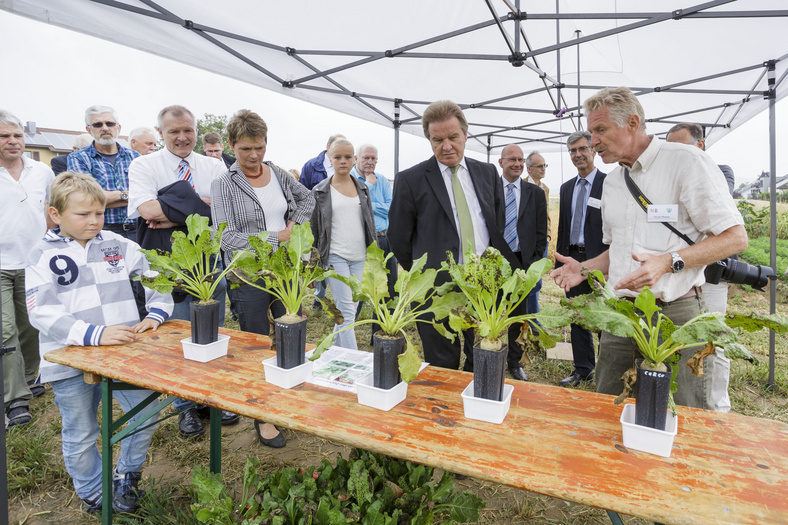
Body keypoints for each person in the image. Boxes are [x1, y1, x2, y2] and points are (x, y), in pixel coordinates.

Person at [551, 87, 747, 410]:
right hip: (623, 314)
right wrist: (583, 268)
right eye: (592, 132)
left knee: (688, 411)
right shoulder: (613, 182)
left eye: (601, 130)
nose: (594, 141)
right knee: (609, 407)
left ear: (632, 123)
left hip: (678, 311)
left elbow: (735, 237)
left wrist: (669, 262)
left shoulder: (685, 162)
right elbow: (617, 251)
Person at [25, 172, 173, 514]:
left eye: (99, 213)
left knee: (146, 410)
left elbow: (158, 274)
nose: (93, 221)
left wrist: (157, 312)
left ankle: (126, 473)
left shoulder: (118, 245)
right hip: (68, 359)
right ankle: (93, 488)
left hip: (123, 353)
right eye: (83, 214)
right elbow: (42, 313)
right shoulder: (39, 255)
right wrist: (94, 335)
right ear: (54, 214)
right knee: (81, 429)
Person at [127, 104, 235, 437]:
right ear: (160, 134)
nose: (182, 137)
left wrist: (172, 210)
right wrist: (197, 204)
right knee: (179, 332)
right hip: (169, 260)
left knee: (211, 329)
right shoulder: (144, 164)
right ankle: (185, 405)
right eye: (174, 131)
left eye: (188, 130)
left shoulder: (214, 165)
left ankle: (209, 395)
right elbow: (145, 208)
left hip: (207, 260)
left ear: (196, 130)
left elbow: (226, 208)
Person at [211, 109, 314, 447]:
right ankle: (262, 415)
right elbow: (225, 238)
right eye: (245, 149)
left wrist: (294, 226)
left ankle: (287, 400)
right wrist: (275, 238)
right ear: (231, 145)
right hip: (249, 276)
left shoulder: (278, 173)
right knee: (255, 343)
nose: (254, 156)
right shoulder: (224, 184)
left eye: (259, 147)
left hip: (284, 272)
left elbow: (307, 198)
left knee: (290, 336)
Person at [388, 100, 511, 371]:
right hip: (436, 290)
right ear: (429, 140)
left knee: (480, 353)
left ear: (466, 135)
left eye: (453, 137)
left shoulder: (487, 172)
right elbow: (398, 237)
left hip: (482, 286)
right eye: (437, 139)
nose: (446, 146)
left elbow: (495, 222)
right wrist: (429, 275)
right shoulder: (411, 180)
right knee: (442, 362)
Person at [666, 122, 734, 412]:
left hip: (710, 273)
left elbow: (709, 215)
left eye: (683, 147)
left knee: (712, 338)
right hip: (680, 275)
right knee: (683, 342)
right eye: (672, 149)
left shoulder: (721, 172)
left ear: (700, 145)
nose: (677, 154)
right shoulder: (668, 179)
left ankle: (717, 403)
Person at [0, 110, 55, 427]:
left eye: (17, 135)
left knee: (32, 325)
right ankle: (15, 399)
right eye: (4, 136)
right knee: (6, 332)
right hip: (2, 265)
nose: (12, 141)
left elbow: (50, 212)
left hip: (33, 262)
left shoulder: (41, 170)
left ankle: (29, 378)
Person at [554, 131, 608, 387]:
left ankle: (609, 371)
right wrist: (560, 265)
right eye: (573, 151)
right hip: (572, 259)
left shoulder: (609, 184)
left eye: (582, 149)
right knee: (577, 316)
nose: (578, 155)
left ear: (593, 150)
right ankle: (583, 369)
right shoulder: (566, 188)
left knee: (606, 316)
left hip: (601, 260)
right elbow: (563, 228)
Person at [312, 139, 375, 349]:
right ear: (330, 159)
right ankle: (353, 364)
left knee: (349, 312)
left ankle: (332, 354)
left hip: (360, 258)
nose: (343, 161)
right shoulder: (320, 191)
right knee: (347, 312)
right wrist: (310, 265)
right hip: (334, 258)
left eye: (347, 157)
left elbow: (370, 224)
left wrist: (373, 255)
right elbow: (313, 230)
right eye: (337, 157)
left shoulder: (363, 188)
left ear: (354, 159)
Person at [498, 144, 547, 382]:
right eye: (511, 160)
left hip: (521, 261)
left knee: (519, 315)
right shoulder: (489, 189)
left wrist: (535, 260)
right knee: (491, 309)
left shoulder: (535, 193)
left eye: (520, 160)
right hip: (494, 262)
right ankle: (488, 353)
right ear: (501, 163)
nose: (516, 164)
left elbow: (541, 230)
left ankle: (515, 362)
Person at [68, 105, 139, 240]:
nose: (105, 128)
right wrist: (128, 196)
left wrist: (104, 198)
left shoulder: (135, 157)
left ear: (118, 127)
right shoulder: (78, 158)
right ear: (89, 130)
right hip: (101, 230)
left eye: (110, 123)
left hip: (138, 229)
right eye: (98, 124)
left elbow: (146, 194)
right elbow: (85, 200)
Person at [351, 143, 396, 341]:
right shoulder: (349, 180)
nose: (370, 162)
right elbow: (355, 204)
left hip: (384, 239)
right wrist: (368, 186)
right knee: (358, 288)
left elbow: (392, 208)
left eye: (373, 158)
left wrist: (370, 203)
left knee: (388, 287)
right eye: (366, 158)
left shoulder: (384, 181)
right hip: (362, 241)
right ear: (356, 158)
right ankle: (346, 336)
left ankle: (378, 334)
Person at [301, 133, 346, 310]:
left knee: (337, 257)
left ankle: (340, 297)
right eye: (337, 146)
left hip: (339, 221)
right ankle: (319, 298)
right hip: (317, 221)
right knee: (318, 257)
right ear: (328, 147)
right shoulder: (312, 166)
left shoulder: (346, 166)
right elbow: (302, 193)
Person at [522, 151, 552, 318]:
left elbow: (546, 216)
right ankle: (531, 319)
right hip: (526, 243)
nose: (543, 169)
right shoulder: (521, 186)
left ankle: (532, 318)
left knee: (537, 280)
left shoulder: (545, 189)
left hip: (542, 242)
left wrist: (547, 236)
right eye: (539, 166)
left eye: (544, 165)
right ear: (529, 169)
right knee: (531, 281)